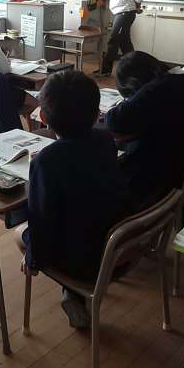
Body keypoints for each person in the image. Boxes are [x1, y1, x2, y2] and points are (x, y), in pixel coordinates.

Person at [18, 70, 128, 329]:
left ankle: (72, 287)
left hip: (84, 261)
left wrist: (32, 258)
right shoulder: (105, 139)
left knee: (20, 234)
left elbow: (41, 220)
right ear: (97, 113)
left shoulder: (47, 161)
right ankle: (72, 293)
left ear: (43, 117)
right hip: (119, 247)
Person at [106, 51, 184, 211]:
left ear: (134, 83)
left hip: (161, 182)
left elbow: (114, 121)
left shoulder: (158, 88)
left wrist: (131, 101)